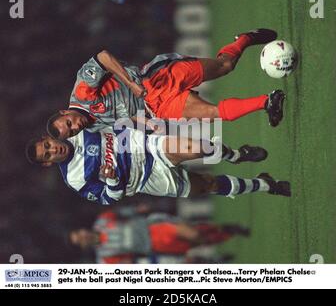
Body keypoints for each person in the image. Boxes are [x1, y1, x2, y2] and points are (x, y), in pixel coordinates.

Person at [46, 29, 286, 140]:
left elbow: (103, 57)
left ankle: (245, 39)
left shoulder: (82, 92)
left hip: (157, 77)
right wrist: (149, 125)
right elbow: (124, 119)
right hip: (157, 107)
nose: (75, 126)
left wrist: (130, 83)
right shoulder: (92, 127)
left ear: (64, 111)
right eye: (72, 132)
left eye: (69, 123)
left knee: (225, 67)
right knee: (213, 114)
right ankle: (268, 101)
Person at [25, 126, 291, 203]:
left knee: (197, 147)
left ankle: (236, 155)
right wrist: (113, 179)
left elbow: (109, 117)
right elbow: (109, 198)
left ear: (48, 138)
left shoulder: (75, 129)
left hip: (144, 145)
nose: (53, 150)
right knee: (208, 185)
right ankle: (264, 184)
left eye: (47, 145)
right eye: (47, 155)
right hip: (146, 180)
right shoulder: (75, 179)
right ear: (48, 164)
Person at [69, 211, 249, 264]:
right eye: (80, 240)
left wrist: (140, 209)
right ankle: (227, 231)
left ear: (83, 229)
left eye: (80, 233)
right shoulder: (105, 257)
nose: (84, 236)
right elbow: (128, 263)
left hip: (154, 227)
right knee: (199, 241)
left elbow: (126, 212)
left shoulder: (103, 219)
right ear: (84, 246)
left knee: (193, 232)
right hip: (155, 247)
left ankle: (223, 228)